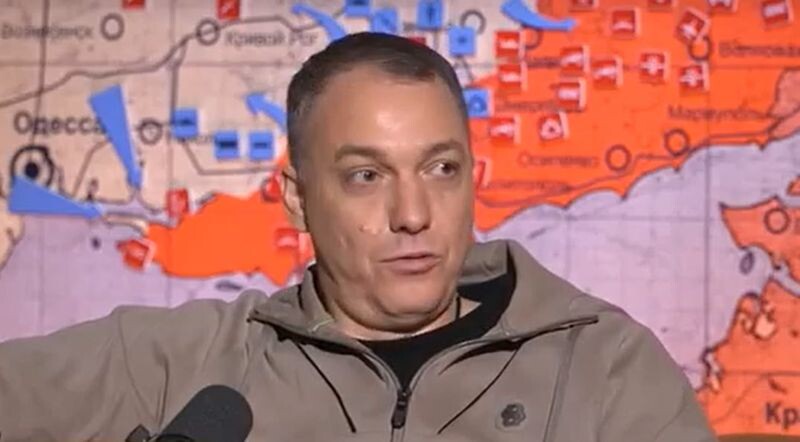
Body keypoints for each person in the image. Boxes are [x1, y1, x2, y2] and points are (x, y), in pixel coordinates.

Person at [0, 32, 716, 441]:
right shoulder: (180, 364)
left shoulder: (603, 367)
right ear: (298, 198)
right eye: (366, 176)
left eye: (440, 168)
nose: (413, 212)